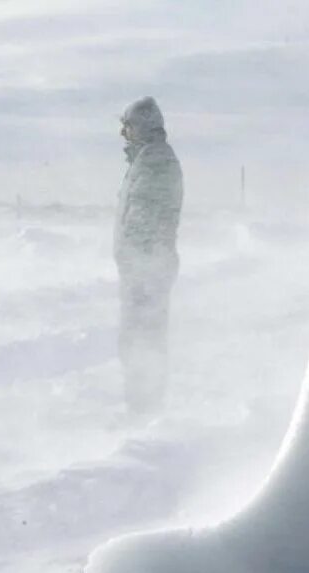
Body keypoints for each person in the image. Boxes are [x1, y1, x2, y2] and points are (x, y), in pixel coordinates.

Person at [113, 96, 184, 415]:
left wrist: (137, 263)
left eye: (126, 127)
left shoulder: (155, 160)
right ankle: (141, 405)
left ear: (140, 126)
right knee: (139, 338)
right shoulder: (145, 159)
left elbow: (145, 220)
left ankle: (144, 409)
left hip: (147, 268)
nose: (122, 135)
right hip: (143, 267)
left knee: (143, 339)